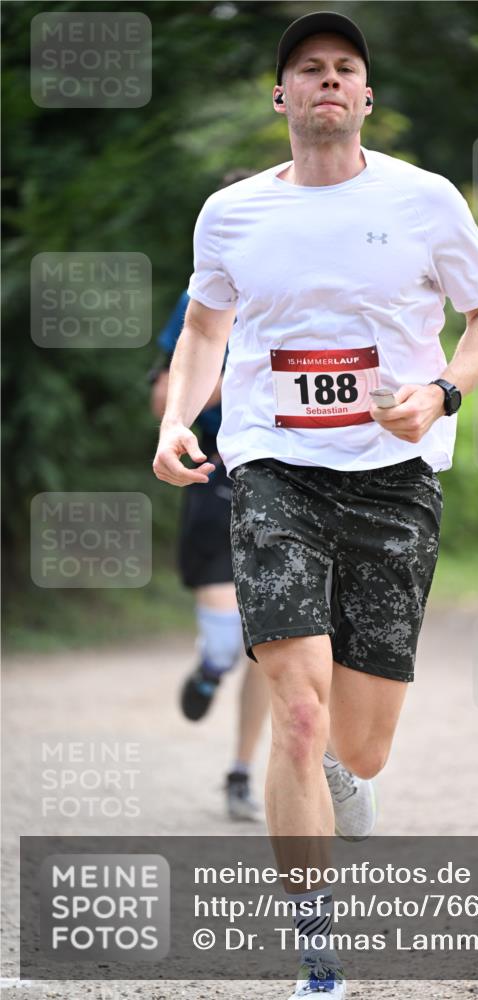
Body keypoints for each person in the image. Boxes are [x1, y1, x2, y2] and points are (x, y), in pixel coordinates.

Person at [152, 11, 478, 997]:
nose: (324, 80)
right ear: (281, 97)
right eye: (305, 68)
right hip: (271, 471)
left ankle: (345, 781)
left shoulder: (425, 200)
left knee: (358, 742)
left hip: (394, 483)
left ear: (363, 96)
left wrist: (442, 392)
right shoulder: (230, 213)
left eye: (342, 69)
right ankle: (317, 958)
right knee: (298, 714)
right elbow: (203, 326)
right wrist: (178, 419)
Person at [150, 271, 270, 822]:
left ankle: (240, 773)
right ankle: (209, 669)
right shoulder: (198, 300)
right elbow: (161, 399)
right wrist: (238, 374)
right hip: (218, 483)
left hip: (290, 488)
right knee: (228, 645)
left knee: (273, 648)